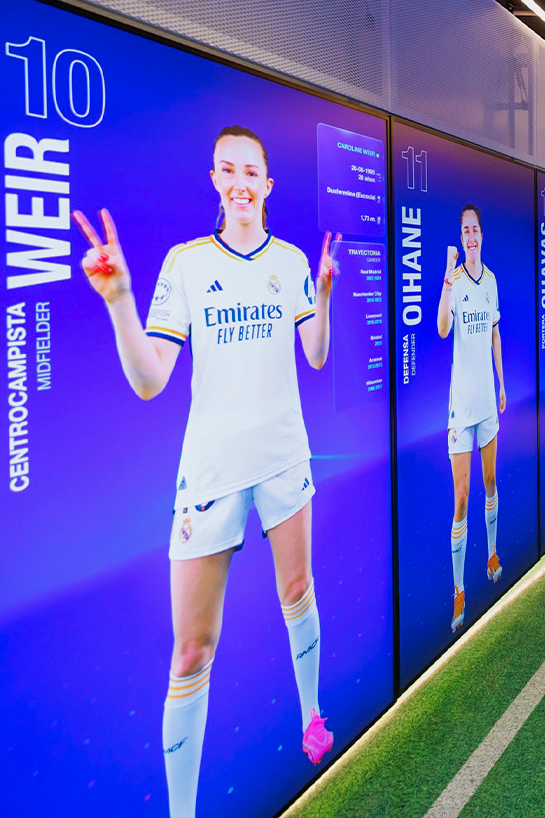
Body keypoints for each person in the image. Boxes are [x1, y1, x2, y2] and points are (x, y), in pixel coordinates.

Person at [73, 126, 343, 817]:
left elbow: (315, 354)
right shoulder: (186, 264)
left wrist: (322, 293)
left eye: (252, 172)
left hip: (284, 456)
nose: (241, 183)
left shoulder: (289, 262)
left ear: (268, 185)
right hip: (211, 472)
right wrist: (119, 300)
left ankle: (311, 714)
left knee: (298, 589)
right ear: (215, 180)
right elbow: (149, 379)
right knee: (192, 651)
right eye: (229, 170)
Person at [438, 204, 506, 632]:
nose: (471, 236)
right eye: (465, 230)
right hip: (461, 409)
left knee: (490, 481)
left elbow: (495, 333)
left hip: (487, 405)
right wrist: (447, 275)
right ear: (461, 237)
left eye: (475, 229)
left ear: (482, 234)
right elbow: (443, 328)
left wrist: (502, 383)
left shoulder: (491, 282)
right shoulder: (456, 281)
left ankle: (492, 553)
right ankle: (460, 588)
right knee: (461, 497)